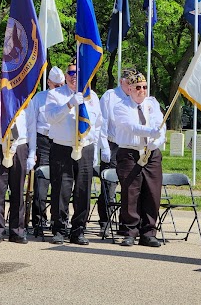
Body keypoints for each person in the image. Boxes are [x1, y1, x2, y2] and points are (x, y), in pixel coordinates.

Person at [45, 61, 108, 245]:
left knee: (83, 191)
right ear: (65, 76)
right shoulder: (55, 94)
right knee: (61, 191)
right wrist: (69, 105)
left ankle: (78, 230)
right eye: (71, 73)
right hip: (62, 147)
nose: (74, 76)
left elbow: (97, 124)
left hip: (85, 147)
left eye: (78, 73)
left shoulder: (92, 96)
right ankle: (58, 229)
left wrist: (94, 147)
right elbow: (51, 117)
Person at [114, 71, 166, 248]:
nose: (142, 90)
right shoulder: (121, 106)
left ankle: (148, 232)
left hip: (151, 153)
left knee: (152, 193)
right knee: (131, 193)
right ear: (129, 89)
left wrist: (157, 140)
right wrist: (150, 132)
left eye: (144, 87)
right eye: (137, 87)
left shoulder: (152, 104)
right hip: (130, 153)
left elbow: (161, 125)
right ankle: (130, 231)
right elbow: (130, 126)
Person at [0, 93, 35, 244]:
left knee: (18, 191)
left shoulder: (26, 99)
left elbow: (32, 128)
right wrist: (0, 127)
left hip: (19, 146)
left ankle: (17, 230)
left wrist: (32, 153)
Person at [26, 66, 65, 237]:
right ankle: (39, 221)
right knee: (41, 185)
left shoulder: (66, 97)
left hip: (61, 142)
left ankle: (60, 220)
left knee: (61, 183)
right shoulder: (39, 98)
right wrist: (31, 150)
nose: (57, 87)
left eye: (60, 85)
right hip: (43, 141)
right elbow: (32, 126)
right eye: (55, 85)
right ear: (48, 82)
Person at [97, 67, 136, 236]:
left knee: (130, 185)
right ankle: (105, 221)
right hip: (112, 145)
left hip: (130, 146)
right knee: (109, 185)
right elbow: (102, 122)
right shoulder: (110, 96)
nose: (131, 88)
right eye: (129, 84)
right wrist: (104, 146)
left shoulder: (136, 97)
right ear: (122, 81)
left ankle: (126, 222)